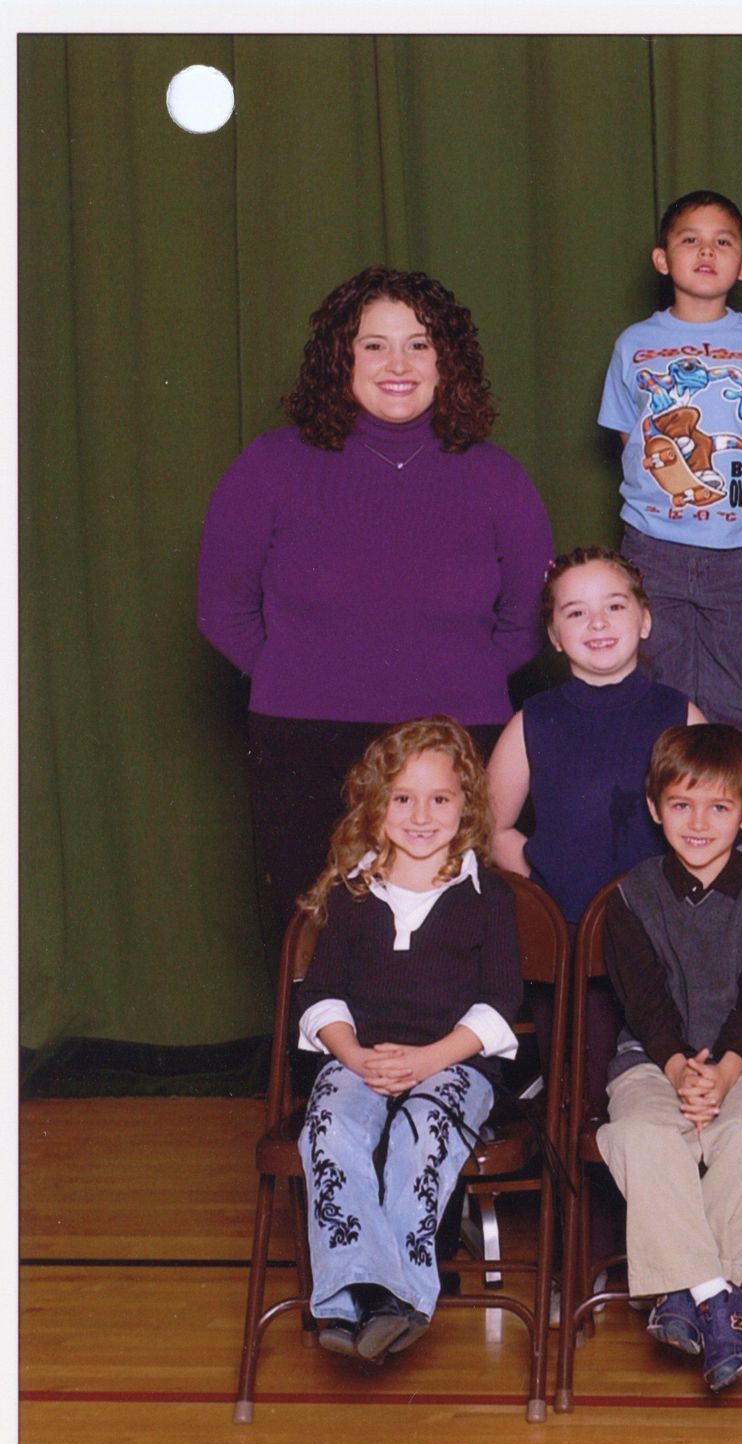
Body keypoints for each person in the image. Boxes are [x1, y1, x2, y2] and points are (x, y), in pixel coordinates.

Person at [198, 266, 552, 944]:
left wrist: (454, 678)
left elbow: (529, 619)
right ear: (341, 359)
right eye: (374, 345)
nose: (398, 365)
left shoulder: (497, 477)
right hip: (304, 740)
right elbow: (222, 607)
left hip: (455, 739)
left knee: (445, 945)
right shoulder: (269, 465)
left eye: (419, 345)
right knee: (314, 939)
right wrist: (298, 672)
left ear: (447, 361)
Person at [291, 718, 523, 1364]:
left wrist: (426, 1061)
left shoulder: (488, 895)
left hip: (453, 1063)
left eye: (439, 798)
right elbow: (322, 996)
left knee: (421, 1136)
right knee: (331, 1127)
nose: (421, 816)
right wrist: (354, 1056)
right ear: (375, 805)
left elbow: (500, 1005)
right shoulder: (352, 891)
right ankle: (362, 1299)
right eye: (402, 798)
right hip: (360, 1057)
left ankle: (382, 1300)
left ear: (466, 805)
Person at [596, 726, 742, 1396]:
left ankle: (682, 1295)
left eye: (718, 807)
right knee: (640, 1134)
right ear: (654, 808)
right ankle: (717, 1296)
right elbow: (643, 1000)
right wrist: (677, 1070)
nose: (698, 823)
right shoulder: (630, 897)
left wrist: (722, 1073)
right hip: (653, 1057)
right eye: (681, 805)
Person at [598, 190, 742, 748]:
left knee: (737, 692)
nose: (706, 251)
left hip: (738, 552)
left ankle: (741, 799)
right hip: (653, 548)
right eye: (690, 239)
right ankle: (661, 795)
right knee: (655, 685)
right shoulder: (635, 344)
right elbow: (630, 436)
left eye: (723, 241)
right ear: (662, 258)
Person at [487, 547, 703, 926]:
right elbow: (491, 827)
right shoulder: (530, 722)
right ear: (554, 635)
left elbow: (715, 825)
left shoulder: (681, 716)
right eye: (576, 612)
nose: (598, 623)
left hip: (660, 930)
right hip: (566, 931)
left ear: (645, 620)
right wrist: (545, 888)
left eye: (614, 606)